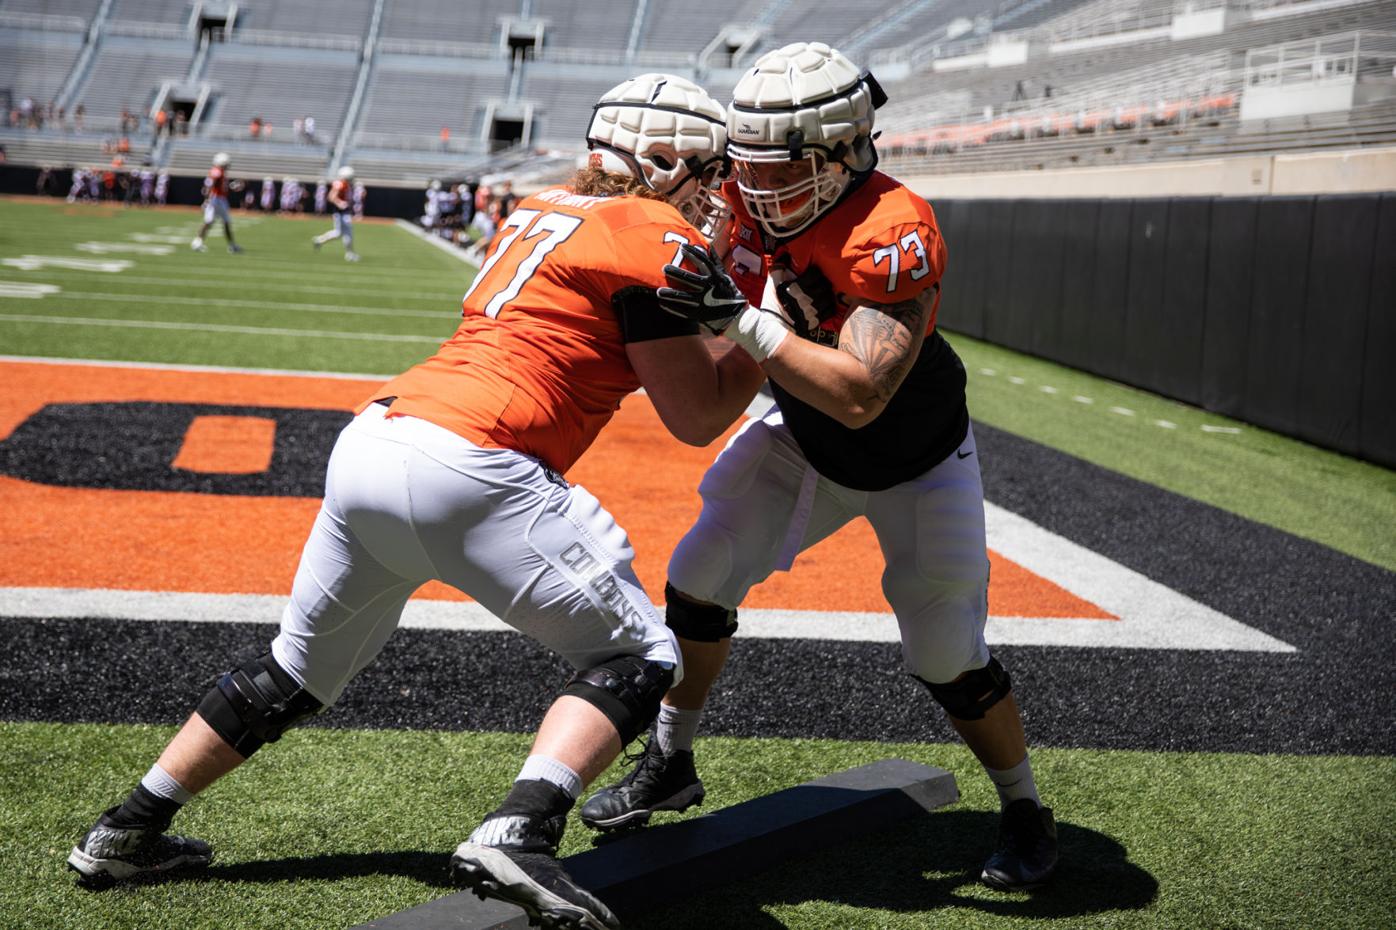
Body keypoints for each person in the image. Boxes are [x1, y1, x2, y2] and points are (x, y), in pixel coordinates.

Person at [66, 72, 760, 930]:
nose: (716, 188)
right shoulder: (651, 226)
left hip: (379, 437)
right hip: (476, 462)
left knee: (295, 669)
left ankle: (128, 827)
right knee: (645, 657)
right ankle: (522, 829)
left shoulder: (541, 205)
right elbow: (698, 415)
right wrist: (771, 335)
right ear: (664, 161)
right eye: (708, 168)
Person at [579, 42, 1060, 892]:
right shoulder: (737, 195)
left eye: (784, 169)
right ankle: (671, 758)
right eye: (748, 167)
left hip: (914, 454)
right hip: (802, 434)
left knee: (947, 648)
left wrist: (739, 315)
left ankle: (1023, 807)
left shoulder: (892, 229)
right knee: (698, 575)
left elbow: (862, 393)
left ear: (847, 153)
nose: (758, 189)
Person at [191, 152, 241, 253]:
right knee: (221, 222)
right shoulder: (217, 171)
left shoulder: (219, 171)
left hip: (218, 199)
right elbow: (211, 184)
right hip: (217, 199)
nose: (228, 165)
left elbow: (217, 185)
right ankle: (231, 245)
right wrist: (207, 199)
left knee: (211, 222)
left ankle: (198, 242)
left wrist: (230, 187)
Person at [311, 166, 360, 261]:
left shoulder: (343, 184)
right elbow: (331, 196)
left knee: (338, 233)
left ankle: (319, 240)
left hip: (342, 213)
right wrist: (340, 203)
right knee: (347, 234)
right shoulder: (341, 184)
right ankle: (349, 254)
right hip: (341, 213)